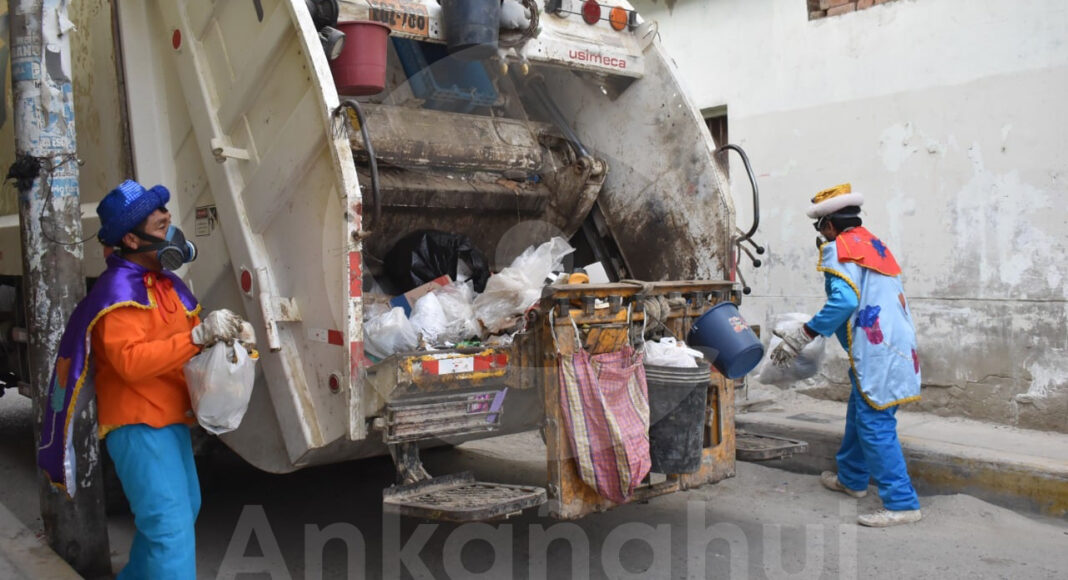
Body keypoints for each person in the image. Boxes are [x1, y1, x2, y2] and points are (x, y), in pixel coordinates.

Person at [37, 179, 252, 578]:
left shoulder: (167, 286)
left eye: (167, 218)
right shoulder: (115, 293)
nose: (169, 224)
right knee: (169, 530)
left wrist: (229, 338)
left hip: (169, 419)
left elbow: (191, 344)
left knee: (181, 513)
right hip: (137, 425)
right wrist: (197, 336)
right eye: (159, 226)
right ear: (131, 241)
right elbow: (130, 363)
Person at [770, 183, 923, 528]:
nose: (820, 235)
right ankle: (852, 480)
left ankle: (902, 503)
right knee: (860, 410)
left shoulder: (839, 248)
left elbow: (844, 301)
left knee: (874, 423)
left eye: (819, 228)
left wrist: (805, 333)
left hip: (877, 349)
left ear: (828, 225)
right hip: (895, 344)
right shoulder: (871, 243)